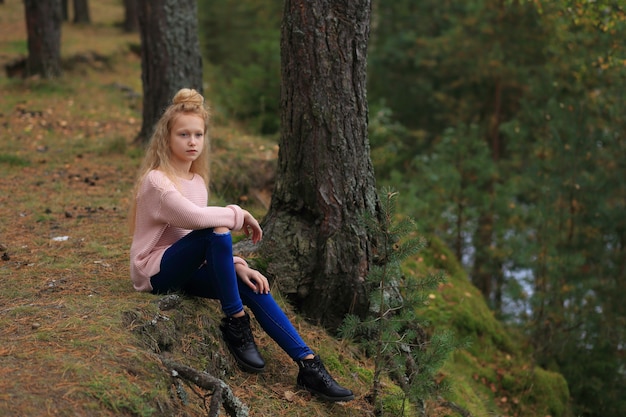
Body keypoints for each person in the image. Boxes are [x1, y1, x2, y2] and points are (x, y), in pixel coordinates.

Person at [128, 88, 354, 403]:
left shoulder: (197, 183)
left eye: (198, 134)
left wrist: (237, 264)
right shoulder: (157, 180)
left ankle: (309, 365)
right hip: (155, 272)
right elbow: (194, 219)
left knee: (251, 285)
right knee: (217, 226)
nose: (192, 141)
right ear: (166, 138)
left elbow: (195, 242)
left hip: (184, 266)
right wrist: (240, 213)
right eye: (183, 135)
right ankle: (235, 321)